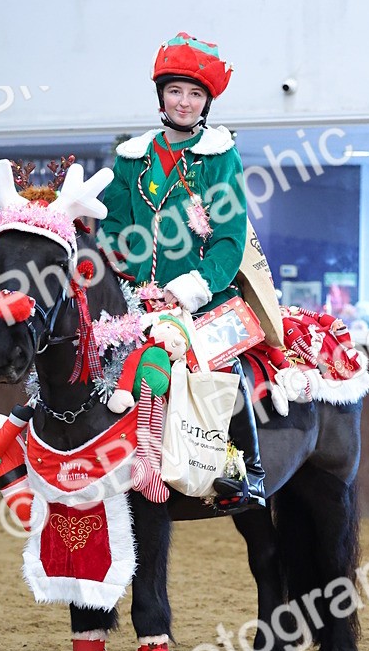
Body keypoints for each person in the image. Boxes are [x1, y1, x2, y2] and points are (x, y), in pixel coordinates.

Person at [98, 31, 265, 512]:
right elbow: (113, 228)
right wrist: (130, 280)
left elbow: (230, 238)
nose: (185, 102)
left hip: (205, 298)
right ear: (161, 96)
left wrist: (195, 286)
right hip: (138, 300)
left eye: (195, 93)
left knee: (223, 367)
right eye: (175, 91)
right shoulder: (131, 159)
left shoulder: (220, 156)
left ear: (207, 101)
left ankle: (249, 469)